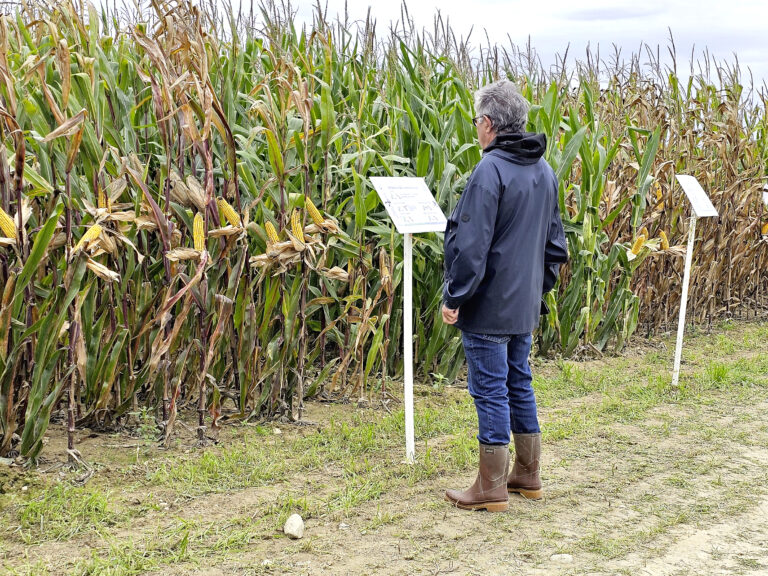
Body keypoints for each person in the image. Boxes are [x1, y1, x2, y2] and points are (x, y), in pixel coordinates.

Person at [442, 79, 568, 512]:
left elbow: (470, 246)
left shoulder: (489, 171)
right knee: (519, 381)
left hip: (488, 308)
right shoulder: (545, 171)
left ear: (490, 124)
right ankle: (528, 475)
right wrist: (534, 291)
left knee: (491, 389)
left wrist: (454, 297)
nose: (476, 129)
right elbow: (556, 248)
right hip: (523, 306)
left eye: (477, 121)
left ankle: (490, 484)